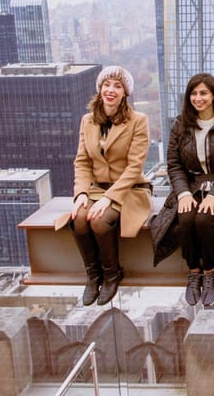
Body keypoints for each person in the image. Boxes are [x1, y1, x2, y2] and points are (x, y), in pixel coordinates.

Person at [55, 65, 153, 306]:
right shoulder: (87, 121)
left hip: (129, 189)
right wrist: (80, 193)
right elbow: (82, 161)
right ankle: (93, 275)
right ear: (99, 89)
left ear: (125, 93)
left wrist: (110, 198)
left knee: (99, 219)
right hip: (95, 188)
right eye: (107, 85)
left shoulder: (138, 121)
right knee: (79, 217)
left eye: (117, 86)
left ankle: (111, 274)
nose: (111, 90)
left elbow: (134, 167)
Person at [150, 73, 214, 307]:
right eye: (194, 93)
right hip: (191, 186)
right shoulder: (180, 125)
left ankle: (211, 271)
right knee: (184, 221)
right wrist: (183, 193)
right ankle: (194, 271)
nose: (198, 98)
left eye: (203, 93)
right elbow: (174, 164)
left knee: (204, 221)